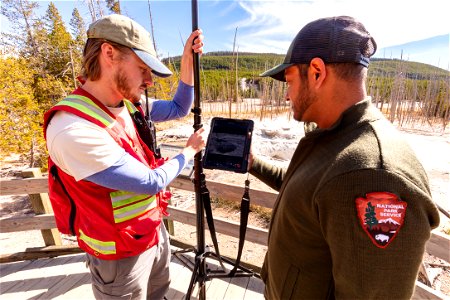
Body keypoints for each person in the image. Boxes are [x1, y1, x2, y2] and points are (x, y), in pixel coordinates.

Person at [250, 16, 440, 299]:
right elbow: (307, 193)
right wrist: (253, 164)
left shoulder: (373, 173)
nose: (287, 95)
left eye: (288, 81)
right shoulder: (333, 136)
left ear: (316, 72)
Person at [43, 14, 206, 299]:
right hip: (118, 257)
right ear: (109, 54)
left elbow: (180, 107)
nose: (149, 81)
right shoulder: (72, 129)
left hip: (152, 233)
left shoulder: (128, 105)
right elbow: (151, 181)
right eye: (142, 68)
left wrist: (187, 61)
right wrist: (189, 151)